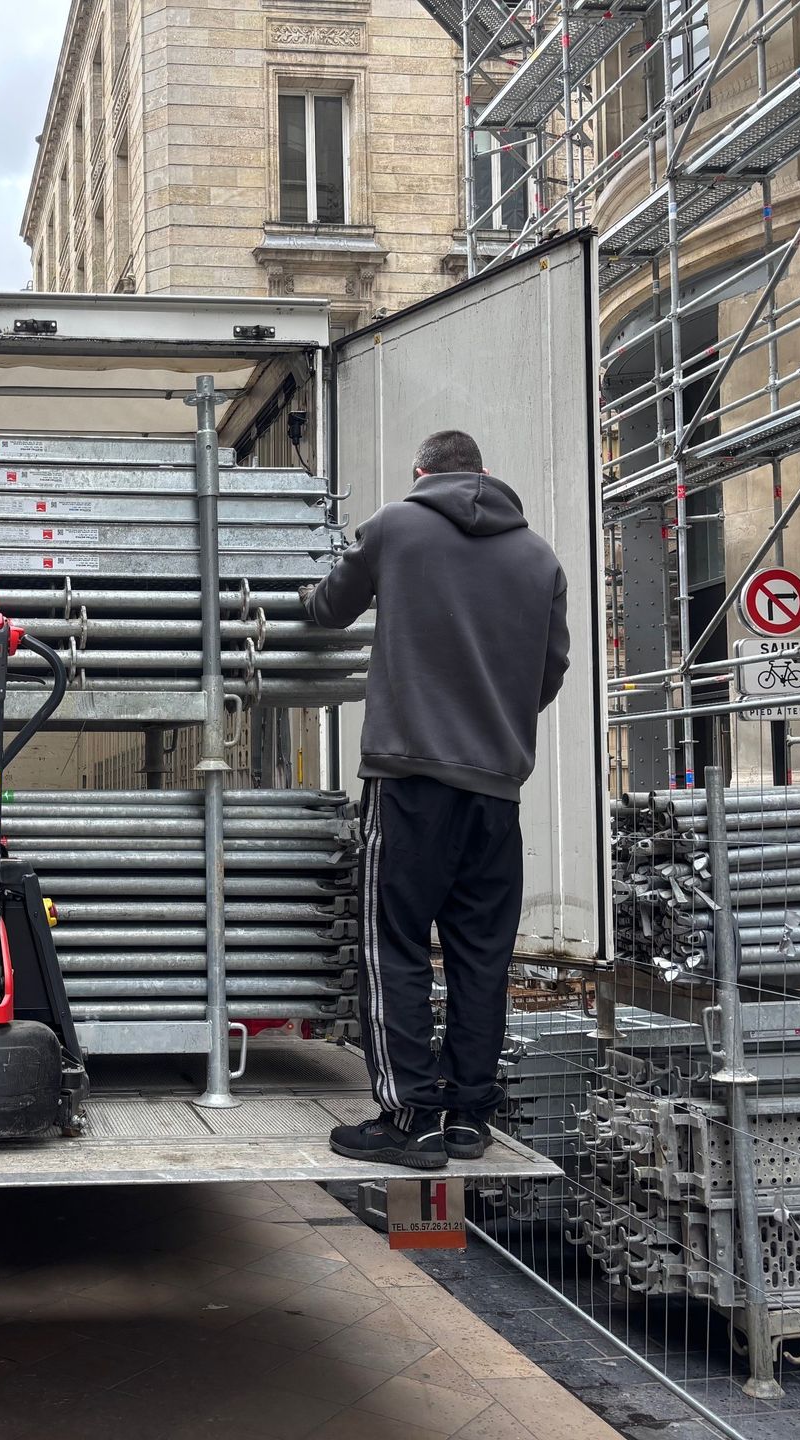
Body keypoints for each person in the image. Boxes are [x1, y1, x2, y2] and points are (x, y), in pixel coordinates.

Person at [301, 430, 570, 1170]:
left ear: (420, 472)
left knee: (393, 946)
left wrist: (299, 597)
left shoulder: (397, 525)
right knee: (481, 956)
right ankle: (467, 1118)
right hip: (496, 791)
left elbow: (330, 608)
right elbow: (549, 672)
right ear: (484, 471)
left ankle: (410, 1119)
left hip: (409, 781)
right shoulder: (540, 557)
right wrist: (490, 720)